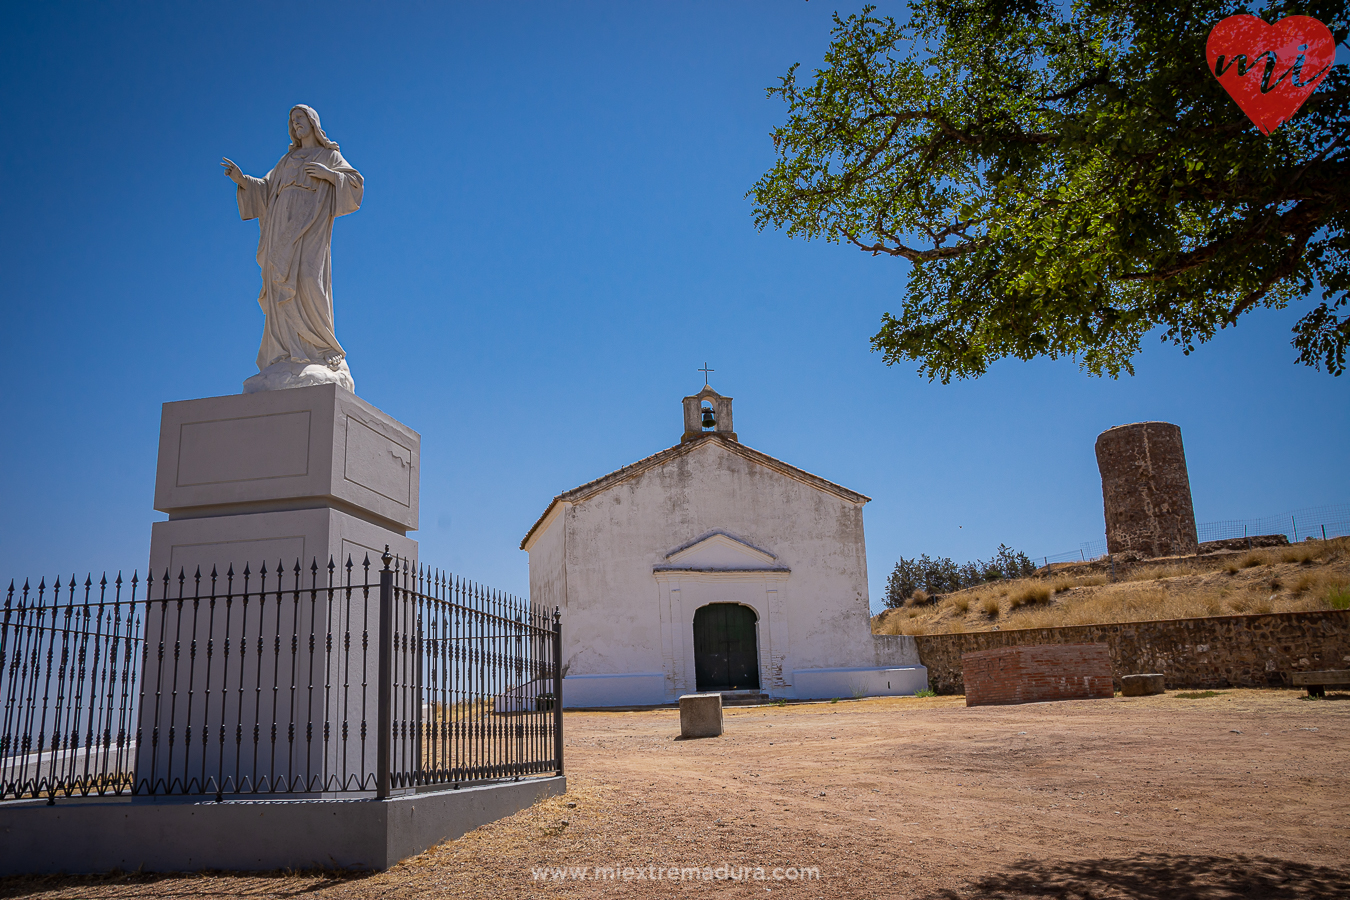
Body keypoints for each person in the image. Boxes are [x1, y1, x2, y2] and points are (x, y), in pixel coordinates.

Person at [222, 105, 362, 389]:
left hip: (311, 222)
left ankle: (321, 347)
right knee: (281, 283)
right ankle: (288, 352)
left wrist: (328, 174)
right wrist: (242, 180)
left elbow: (355, 183)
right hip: (281, 224)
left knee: (309, 279)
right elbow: (265, 189)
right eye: (292, 120)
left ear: (312, 123)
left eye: (300, 118)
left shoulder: (329, 155)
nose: (295, 123)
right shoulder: (287, 160)